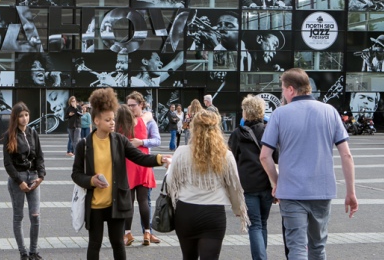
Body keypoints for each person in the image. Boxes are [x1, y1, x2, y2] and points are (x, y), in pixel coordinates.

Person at [260, 68, 358, 260]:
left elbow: (265, 156)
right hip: (322, 191)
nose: (282, 94)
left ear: (290, 89)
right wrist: (351, 192)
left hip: (291, 192)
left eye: (282, 89)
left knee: (296, 247)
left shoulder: (279, 115)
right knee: (318, 247)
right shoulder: (330, 112)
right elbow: (346, 155)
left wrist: (277, 182)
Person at [71, 87, 169, 260]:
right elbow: (76, 174)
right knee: (95, 244)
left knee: (118, 243)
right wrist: (91, 180)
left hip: (116, 203)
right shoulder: (84, 144)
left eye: (113, 119)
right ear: (96, 121)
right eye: (107, 120)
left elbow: (140, 157)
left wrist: (160, 159)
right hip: (94, 205)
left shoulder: (119, 141)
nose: (112, 123)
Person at [167, 110, 248, 260]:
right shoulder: (225, 155)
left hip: (186, 212)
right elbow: (234, 185)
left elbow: (170, 182)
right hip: (213, 213)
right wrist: (238, 208)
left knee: (188, 257)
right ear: (217, 129)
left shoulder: (181, 152)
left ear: (193, 129)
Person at [229, 95, 276, 260]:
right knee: (262, 223)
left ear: (246, 113)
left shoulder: (237, 134)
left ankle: (260, 258)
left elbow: (231, 160)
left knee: (254, 225)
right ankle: (262, 256)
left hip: (247, 186)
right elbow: (276, 157)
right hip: (267, 184)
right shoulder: (269, 131)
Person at [3, 102, 46, 260]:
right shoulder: (9, 135)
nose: (24, 118)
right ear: (15, 117)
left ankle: (33, 252)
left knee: (35, 215)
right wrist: (19, 181)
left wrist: (41, 176)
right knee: (18, 217)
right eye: (21, 116)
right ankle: (23, 253)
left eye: (26, 115)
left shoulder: (33, 133)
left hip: (33, 177)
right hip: (18, 180)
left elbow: (40, 156)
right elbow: (7, 163)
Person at [117, 92, 160, 247]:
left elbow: (157, 140)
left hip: (133, 164)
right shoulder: (143, 119)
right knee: (142, 201)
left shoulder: (126, 122)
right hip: (142, 163)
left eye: (133, 105)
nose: (130, 108)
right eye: (128, 105)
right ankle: (146, 232)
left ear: (141, 104)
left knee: (136, 201)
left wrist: (141, 141)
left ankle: (130, 233)